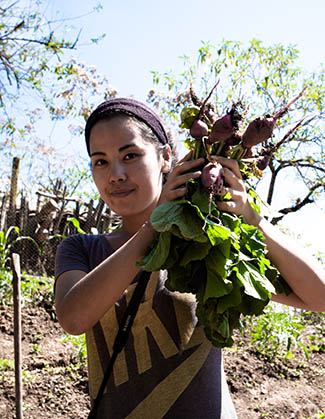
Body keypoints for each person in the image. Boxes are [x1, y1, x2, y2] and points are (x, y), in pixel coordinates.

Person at [54, 98, 325, 418]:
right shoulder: (82, 249)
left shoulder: (209, 242)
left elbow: (319, 296)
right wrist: (154, 228)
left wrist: (255, 220)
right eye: (100, 161)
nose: (115, 174)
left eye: (130, 155)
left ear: (166, 158)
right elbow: (73, 318)